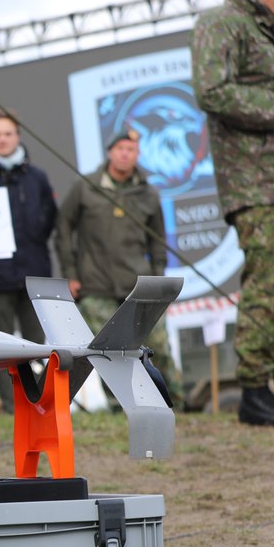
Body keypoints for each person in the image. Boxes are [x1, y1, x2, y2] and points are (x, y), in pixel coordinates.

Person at [192, 0, 274, 427]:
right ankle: (253, 388)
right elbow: (213, 92)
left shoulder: (265, 31)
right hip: (256, 182)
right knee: (269, 279)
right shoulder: (222, 24)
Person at [54, 129, 179, 401]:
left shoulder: (147, 193)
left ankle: (175, 401)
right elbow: (63, 227)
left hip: (139, 285)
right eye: (120, 148)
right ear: (110, 152)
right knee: (107, 352)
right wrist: (71, 273)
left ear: (138, 155)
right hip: (95, 284)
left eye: (131, 149)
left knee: (157, 345)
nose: (125, 153)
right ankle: (119, 405)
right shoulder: (86, 186)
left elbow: (158, 240)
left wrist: (158, 279)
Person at [0, 110, 57, 412]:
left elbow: (49, 220)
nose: (2, 139)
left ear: (17, 137)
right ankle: (12, 408)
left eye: (8, 133)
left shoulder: (37, 178)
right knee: (0, 349)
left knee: (37, 345)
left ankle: (41, 403)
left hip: (34, 275)